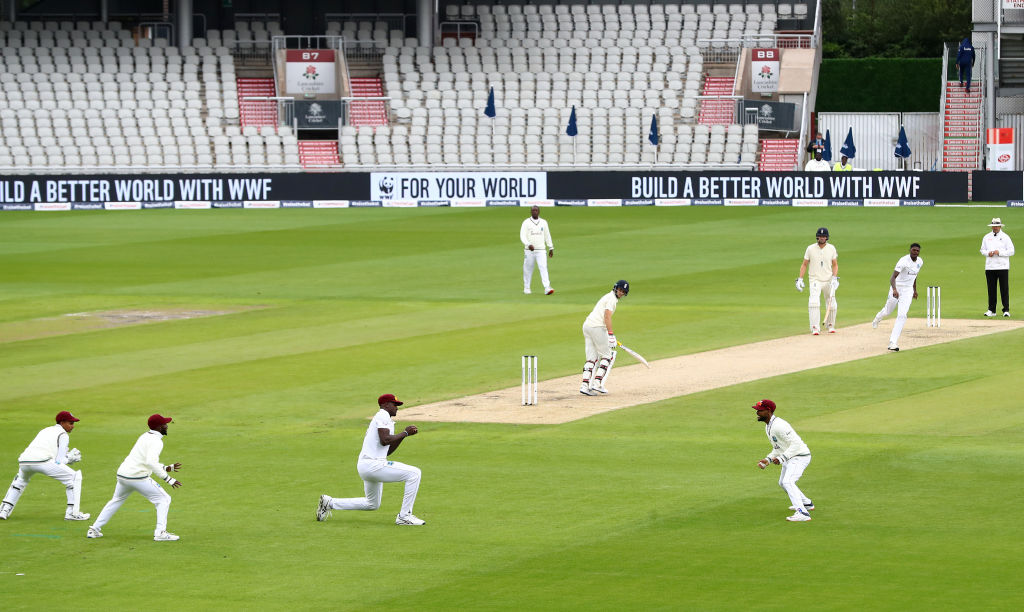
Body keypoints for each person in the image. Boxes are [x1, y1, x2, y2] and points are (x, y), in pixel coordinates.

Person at [317, 394, 425, 526]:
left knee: (372, 504)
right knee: (414, 473)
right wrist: (405, 433)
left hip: (367, 465)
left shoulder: (385, 420)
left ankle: (329, 502)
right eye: (394, 404)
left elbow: (387, 450)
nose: (397, 408)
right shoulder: (382, 415)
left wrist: (404, 435)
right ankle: (404, 516)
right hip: (373, 465)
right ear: (385, 405)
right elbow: (385, 440)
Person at [87, 414, 182, 541]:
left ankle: (94, 529)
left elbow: (143, 459)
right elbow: (150, 462)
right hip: (137, 478)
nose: (167, 426)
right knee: (164, 499)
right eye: (165, 424)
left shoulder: (144, 436)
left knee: (116, 500)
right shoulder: (157, 441)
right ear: (159, 427)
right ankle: (160, 533)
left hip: (123, 475)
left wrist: (165, 468)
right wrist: (168, 479)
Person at [0, 411, 89, 521]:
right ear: (62, 422)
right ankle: (71, 513)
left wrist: (66, 457)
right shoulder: (63, 435)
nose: (73, 426)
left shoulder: (45, 430)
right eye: (70, 423)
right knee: (74, 478)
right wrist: (70, 459)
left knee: (19, 482)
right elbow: (59, 461)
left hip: (24, 461)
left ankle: (4, 510)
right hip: (42, 462)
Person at [753, 399, 813, 522]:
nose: (757, 413)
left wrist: (782, 458)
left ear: (768, 411)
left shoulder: (779, 425)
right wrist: (768, 459)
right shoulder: (769, 426)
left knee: (788, 482)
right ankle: (806, 503)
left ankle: (803, 513)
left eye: (760, 411)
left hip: (799, 457)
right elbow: (778, 447)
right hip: (790, 457)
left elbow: (796, 443)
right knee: (782, 483)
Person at [579, 280, 629, 395]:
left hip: (587, 326)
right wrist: (611, 334)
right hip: (597, 327)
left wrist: (608, 334)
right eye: (620, 290)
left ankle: (584, 386)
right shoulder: (612, 299)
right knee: (607, 356)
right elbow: (607, 317)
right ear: (616, 288)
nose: (621, 293)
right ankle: (597, 383)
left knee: (591, 358)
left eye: (623, 291)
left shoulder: (608, 297)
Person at [872, 243, 923, 352]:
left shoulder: (920, 262)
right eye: (913, 250)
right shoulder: (903, 261)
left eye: (917, 251)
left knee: (902, 315)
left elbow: (914, 276)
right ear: (910, 250)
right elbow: (892, 277)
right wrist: (894, 290)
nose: (915, 252)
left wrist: (914, 290)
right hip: (897, 287)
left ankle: (893, 342)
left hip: (908, 290)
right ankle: (878, 317)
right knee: (888, 311)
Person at [795, 227, 839, 334]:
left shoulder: (831, 248)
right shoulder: (810, 249)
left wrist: (834, 278)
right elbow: (804, 264)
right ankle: (815, 327)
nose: (822, 238)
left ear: (827, 237)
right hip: (815, 280)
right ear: (817, 237)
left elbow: (835, 265)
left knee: (831, 302)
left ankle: (830, 325)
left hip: (828, 279)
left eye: (824, 236)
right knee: (814, 302)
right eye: (820, 236)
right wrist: (800, 279)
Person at [981, 217, 1014, 317]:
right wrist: (988, 253)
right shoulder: (986, 237)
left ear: (1000, 226)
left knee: (1004, 289)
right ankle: (991, 310)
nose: (995, 228)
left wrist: (999, 253)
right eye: (993, 226)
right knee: (991, 289)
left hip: (1002, 266)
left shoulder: (1005, 237)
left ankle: (1006, 310)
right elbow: (982, 250)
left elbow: (1012, 251)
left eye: (996, 226)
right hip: (990, 267)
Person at [520, 205, 555, 295]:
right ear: (530, 212)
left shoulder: (543, 222)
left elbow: (547, 235)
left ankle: (547, 287)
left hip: (541, 250)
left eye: (536, 210)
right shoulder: (526, 222)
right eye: (533, 210)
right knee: (528, 269)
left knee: (543, 267)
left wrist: (550, 247)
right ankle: (527, 288)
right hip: (529, 250)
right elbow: (522, 236)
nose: (534, 212)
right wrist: (528, 244)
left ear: (539, 212)